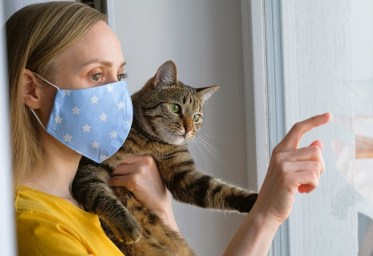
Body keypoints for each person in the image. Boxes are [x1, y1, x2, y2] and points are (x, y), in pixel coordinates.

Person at [7, 2, 331, 255]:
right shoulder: (41, 231)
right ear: (32, 89)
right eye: (96, 75)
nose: (117, 94)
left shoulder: (78, 203)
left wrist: (266, 214)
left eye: (119, 76)